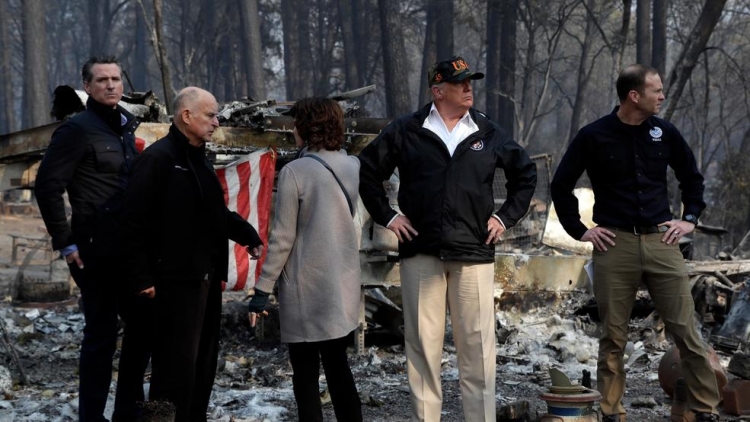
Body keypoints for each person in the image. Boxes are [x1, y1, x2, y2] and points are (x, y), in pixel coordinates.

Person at [358, 56, 537, 421]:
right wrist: (389, 216)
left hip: (474, 252)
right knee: (423, 349)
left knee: (478, 351)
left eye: (470, 81)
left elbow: (526, 173)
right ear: (437, 90)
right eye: (460, 83)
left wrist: (504, 218)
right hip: (421, 254)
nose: (469, 87)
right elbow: (368, 171)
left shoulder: (486, 131)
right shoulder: (407, 129)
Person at [550, 64, 721, 422]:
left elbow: (692, 179)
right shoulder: (593, 136)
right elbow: (560, 185)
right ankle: (612, 412)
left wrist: (688, 220)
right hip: (615, 245)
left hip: (662, 241)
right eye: (656, 91)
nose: (662, 96)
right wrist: (581, 231)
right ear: (634, 96)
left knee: (686, 331)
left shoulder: (665, 132)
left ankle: (705, 409)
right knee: (613, 336)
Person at [121, 87, 264, 421]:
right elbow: (131, 223)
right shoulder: (158, 160)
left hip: (205, 282)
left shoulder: (199, 160)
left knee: (201, 367)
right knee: (173, 372)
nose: (217, 122)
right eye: (210, 115)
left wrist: (246, 234)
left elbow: (212, 211)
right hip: (170, 286)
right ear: (187, 116)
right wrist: (141, 278)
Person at [35, 55, 151, 422]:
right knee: (100, 337)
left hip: (130, 250)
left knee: (143, 329)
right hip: (94, 251)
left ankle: (127, 413)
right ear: (87, 86)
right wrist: (66, 244)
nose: (111, 85)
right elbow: (47, 187)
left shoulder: (125, 126)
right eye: (102, 80)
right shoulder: (76, 130)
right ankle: (91, 417)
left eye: (116, 78)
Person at [247, 97, 363, 422]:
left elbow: (282, 239)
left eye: (296, 123)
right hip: (341, 287)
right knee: (340, 370)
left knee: (306, 379)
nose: (292, 129)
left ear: (307, 127)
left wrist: (261, 291)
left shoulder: (295, 172)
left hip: (306, 289)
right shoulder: (352, 165)